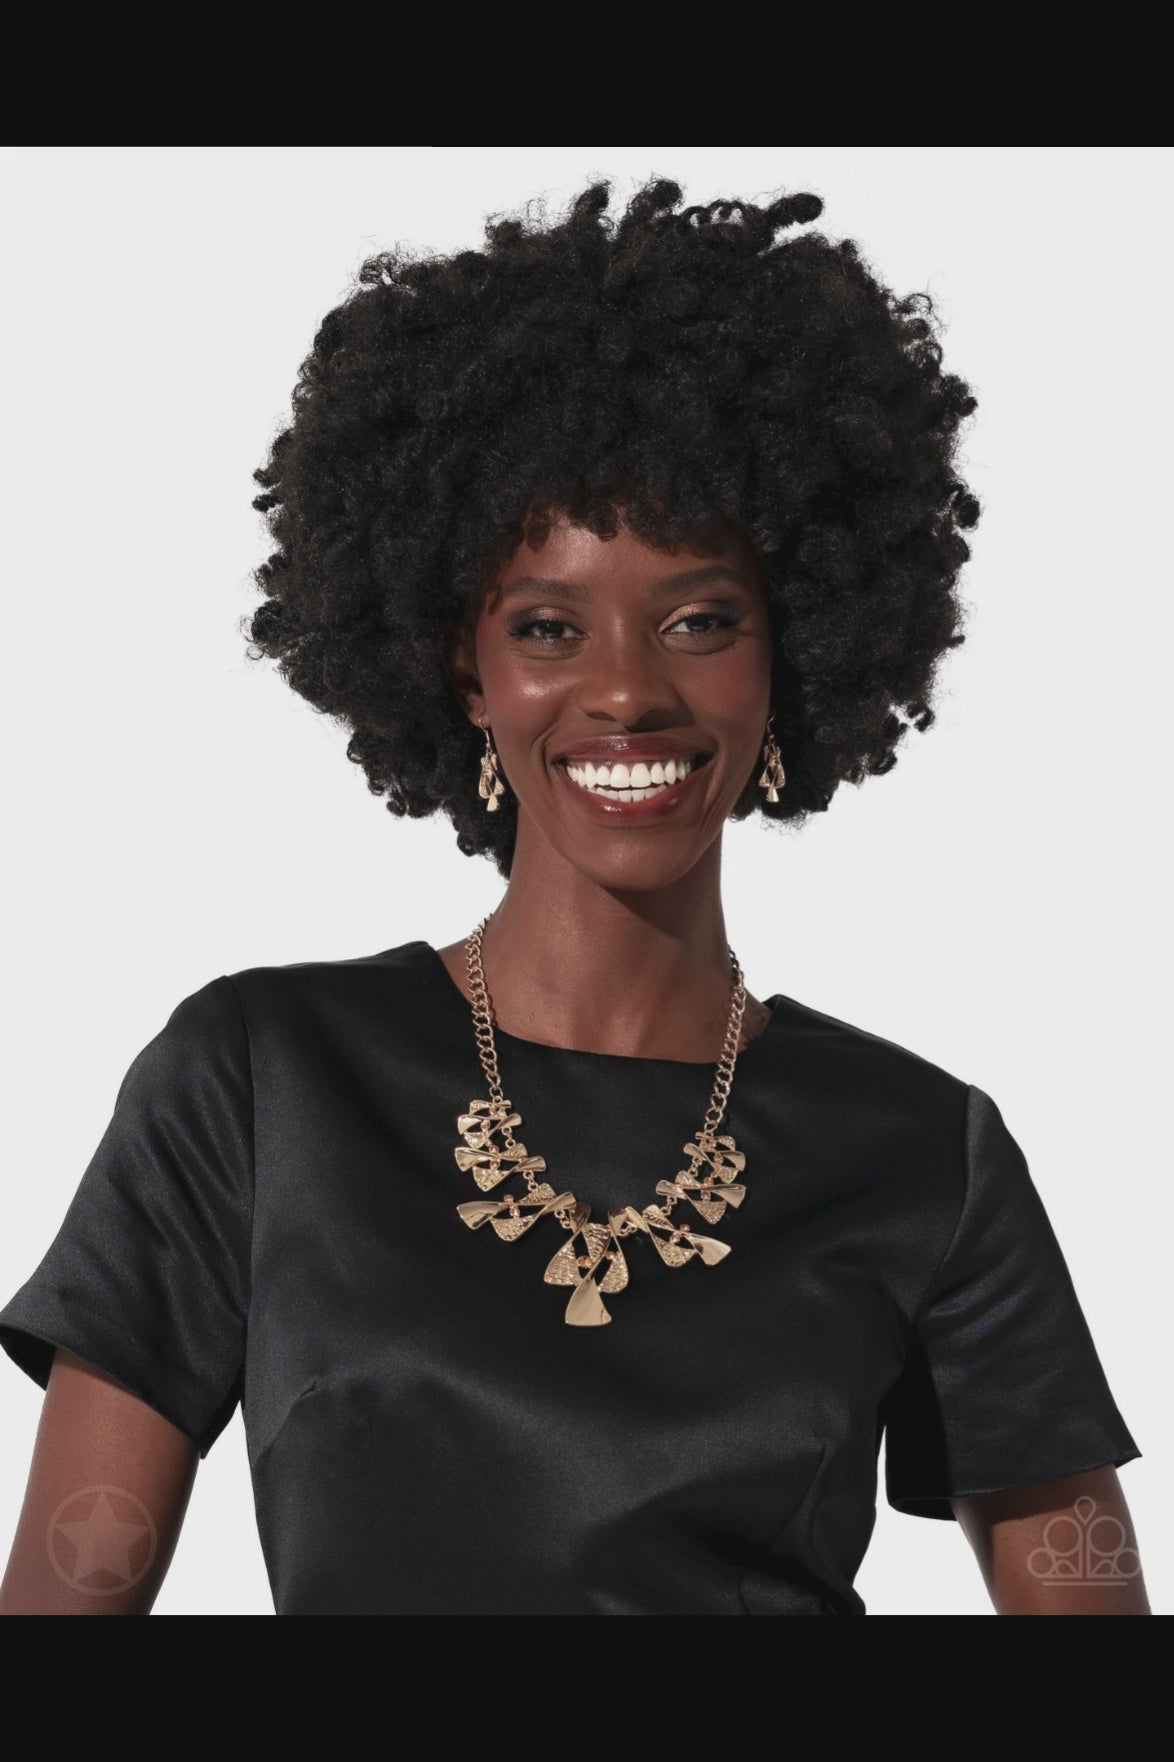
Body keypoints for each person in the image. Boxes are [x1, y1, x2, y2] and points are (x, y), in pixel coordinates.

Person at [0, 179, 1148, 1616]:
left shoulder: (920, 1149)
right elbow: (64, 1605)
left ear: (793, 649)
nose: (623, 690)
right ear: (466, 670)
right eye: (547, 626)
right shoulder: (260, 1079)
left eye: (701, 619)